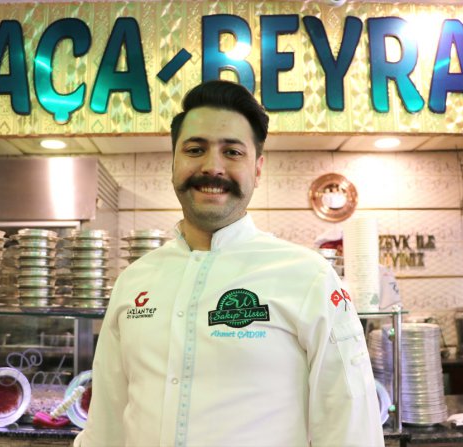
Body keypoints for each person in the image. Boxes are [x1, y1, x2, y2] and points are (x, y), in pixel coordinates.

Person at [74, 80, 384, 447]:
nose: (212, 167)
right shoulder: (134, 281)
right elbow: (106, 423)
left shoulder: (308, 276)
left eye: (232, 152)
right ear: (173, 163)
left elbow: (351, 425)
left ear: (258, 169)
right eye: (195, 149)